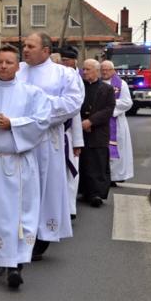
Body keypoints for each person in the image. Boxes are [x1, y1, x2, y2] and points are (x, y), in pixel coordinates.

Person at [0, 44, 50, 289]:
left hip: (18, 162)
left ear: (17, 66)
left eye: (9, 62)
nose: (3, 66)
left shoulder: (32, 93)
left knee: (20, 213)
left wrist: (12, 123)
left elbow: (41, 121)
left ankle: (17, 263)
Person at [16, 33, 83, 261]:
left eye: (30, 46)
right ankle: (15, 234)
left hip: (46, 140)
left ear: (45, 50)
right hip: (17, 139)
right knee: (18, 188)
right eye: (24, 45)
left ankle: (40, 235)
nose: (25, 49)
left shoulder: (64, 74)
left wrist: (38, 110)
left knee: (45, 187)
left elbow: (73, 103)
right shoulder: (16, 70)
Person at [79, 59, 116, 207]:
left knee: (98, 162)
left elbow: (109, 109)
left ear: (96, 71)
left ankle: (97, 194)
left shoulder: (106, 89)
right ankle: (84, 191)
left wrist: (91, 121)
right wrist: (82, 121)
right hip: (80, 129)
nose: (84, 72)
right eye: (83, 69)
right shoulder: (79, 87)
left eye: (88, 69)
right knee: (84, 161)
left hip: (98, 131)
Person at [59, 45, 84, 220]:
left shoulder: (76, 79)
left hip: (68, 132)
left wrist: (77, 142)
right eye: (61, 60)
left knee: (70, 172)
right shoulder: (57, 76)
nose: (63, 63)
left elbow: (76, 112)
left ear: (74, 61)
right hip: (51, 133)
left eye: (66, 60)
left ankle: (69, 208)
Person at [100, 60, 134, 185]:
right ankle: (104, 176)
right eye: (102, 70)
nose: (105, 72)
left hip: (117, 121)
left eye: (107, 70)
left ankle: (116, 176)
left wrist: (109, 106)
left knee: (117, 149)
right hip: (100, 122)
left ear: (113, 71)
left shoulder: (121, 84)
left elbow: (127, 102)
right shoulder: (97, 83)